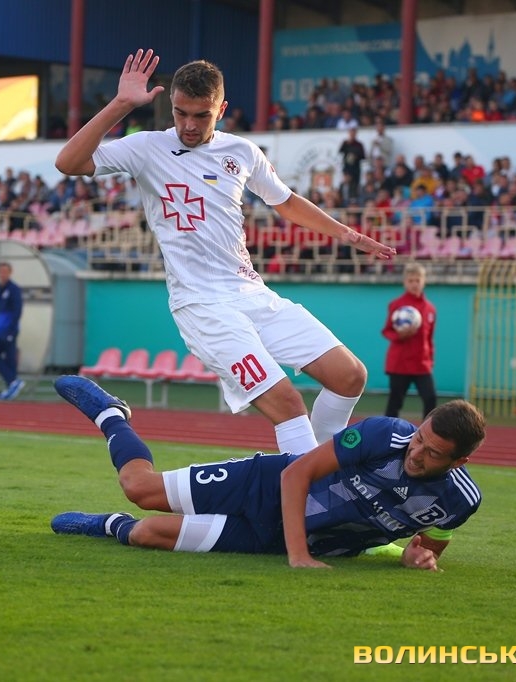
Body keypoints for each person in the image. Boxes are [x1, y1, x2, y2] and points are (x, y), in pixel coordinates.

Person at [54, 49, 395, 456]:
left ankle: (325, 463)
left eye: (201, 115)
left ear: (222, 109)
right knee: (288, 404)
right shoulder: (147, 147)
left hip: (251, 293)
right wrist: (122, 104)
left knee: (350, 375)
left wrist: (348, 234)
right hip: (201, 305)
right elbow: (68, 162)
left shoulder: (243, 152)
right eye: (180, 113)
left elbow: (286, 202)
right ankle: (313, 487)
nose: (189, 125)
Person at [49, 375, 485, 570]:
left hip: (274, 539)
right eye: (420, 438)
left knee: (146, 533)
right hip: (264, 485)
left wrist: (413, 558)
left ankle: (109, 525)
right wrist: (298, 557)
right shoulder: (384, 434)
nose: (416, 453)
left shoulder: (458, 501)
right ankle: (111, 414)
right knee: (139, 488)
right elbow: (296, 475)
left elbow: (427, 547)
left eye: (432, 453)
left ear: (458, 462)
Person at [382, 264, 437, 421]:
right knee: (395, 403)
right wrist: (400, 335)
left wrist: (430, 360)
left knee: (430, 398)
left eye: (417, 280)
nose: (414, 284)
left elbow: (429, 337)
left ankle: (427, 431)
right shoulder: (396, 305)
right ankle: (388, 432)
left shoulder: (430, 309)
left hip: (422, 364)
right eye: (410, 280)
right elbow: (387, 330)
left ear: (423, 281)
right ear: (405, 282)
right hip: (399, 363)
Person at [0, 262, 24, 400]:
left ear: (10, 272)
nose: (3, 274)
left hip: (8, 330)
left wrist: (11, 330)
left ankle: (12, 385)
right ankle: (13, 382)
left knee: (10, 359)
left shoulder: (14, 289)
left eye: (5, 271)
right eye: (1, 271)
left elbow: (17, 310)